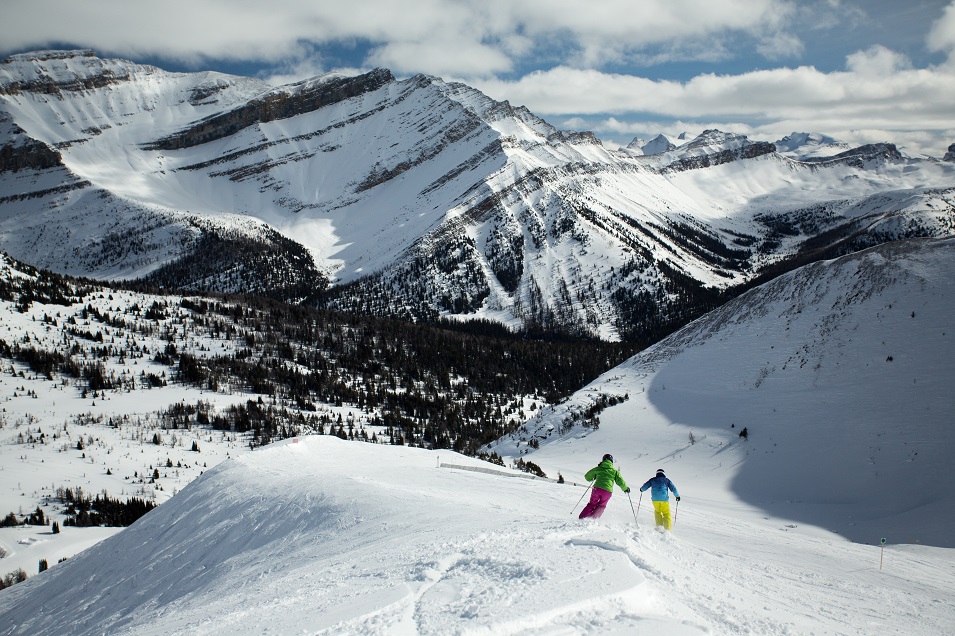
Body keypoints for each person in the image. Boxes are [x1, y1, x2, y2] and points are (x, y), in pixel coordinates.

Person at [579, 454, 629, 519]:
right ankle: (593, 520)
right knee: (602, 505)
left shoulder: (598, 468)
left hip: (597, 489)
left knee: (592, 504)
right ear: (611, 461)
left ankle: (582, 518)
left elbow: (587, 476)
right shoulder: (615, 471)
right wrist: (625, 488)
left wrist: (593, 477)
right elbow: (620, 481)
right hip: (607, 491)